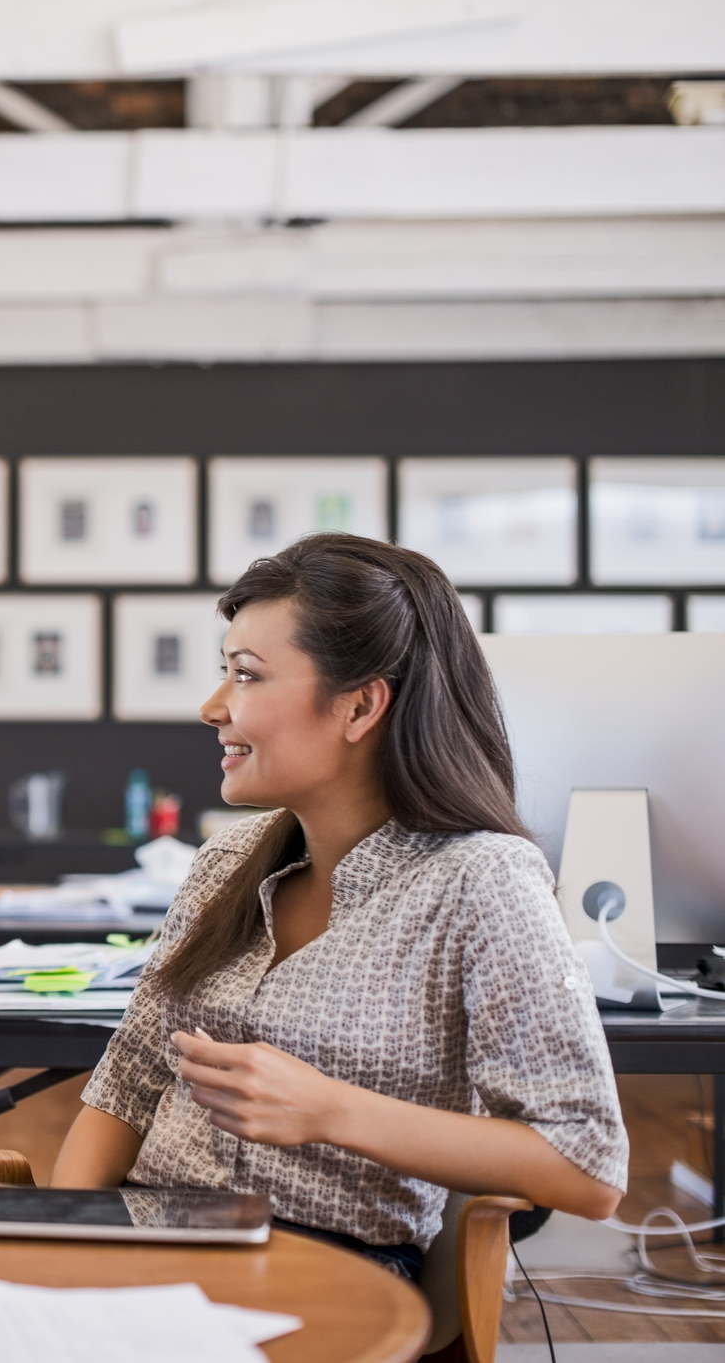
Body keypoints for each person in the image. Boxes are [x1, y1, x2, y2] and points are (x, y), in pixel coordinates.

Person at [53, 532, 627, 1280]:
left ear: (359, 705)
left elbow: (587, 1166)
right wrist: (58, 1249)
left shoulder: (482, 881)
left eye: (246, 676)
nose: (211, 705)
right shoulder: (227, 860)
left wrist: (330, 1111)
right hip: (145, 1248)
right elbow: (125, 1088)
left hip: (325, 1273)